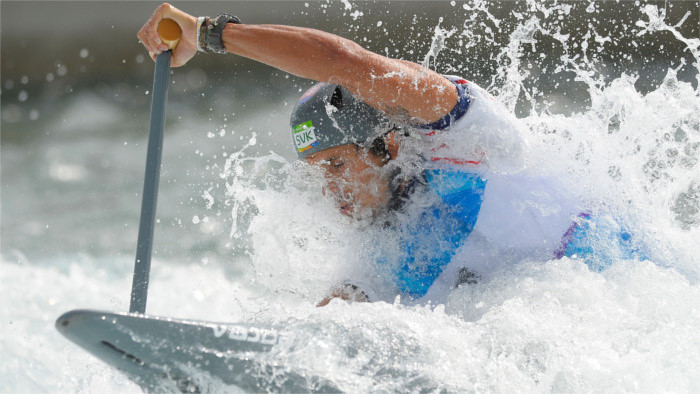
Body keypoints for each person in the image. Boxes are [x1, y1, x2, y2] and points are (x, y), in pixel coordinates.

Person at [138, 4, 648, 306]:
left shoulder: (462, 131)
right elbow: (333, 327)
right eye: (319, 172)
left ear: (387, 146)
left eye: (337, 164)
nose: (329, 189)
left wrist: (207, 33)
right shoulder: (383, 243)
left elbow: (346, 63)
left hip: (634, 288)